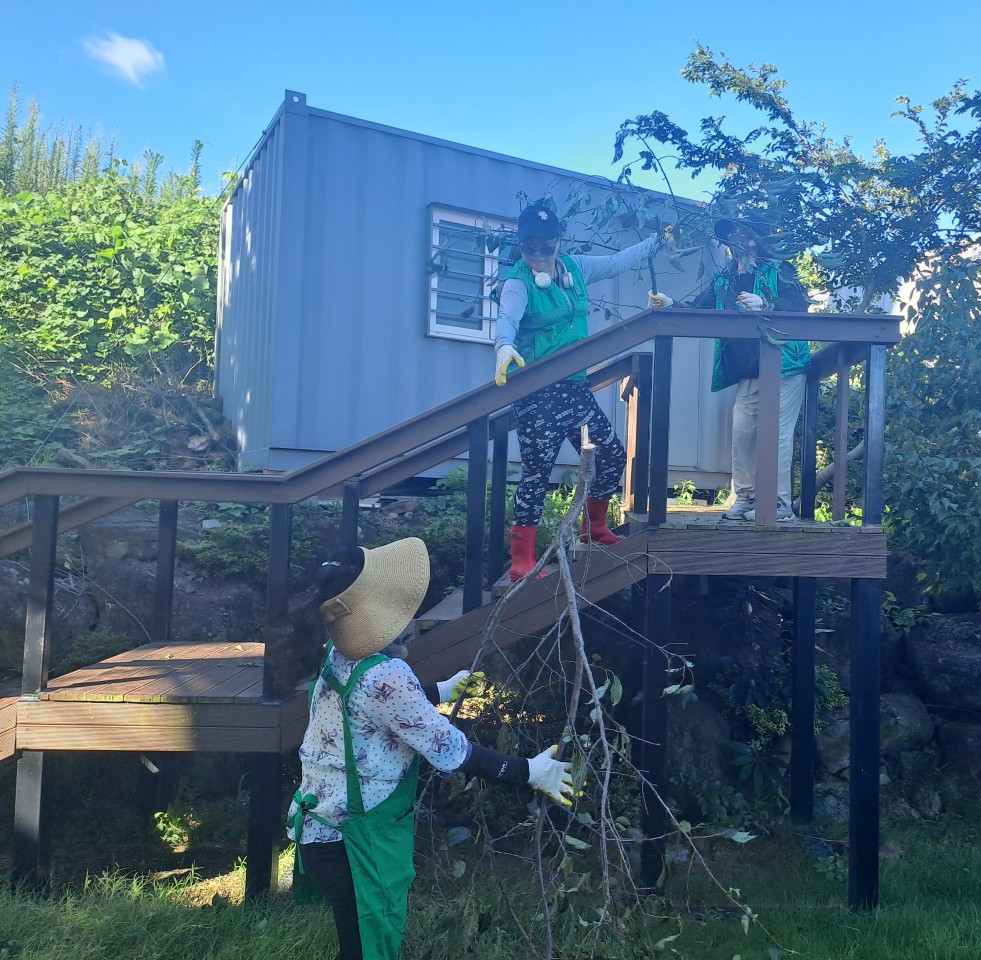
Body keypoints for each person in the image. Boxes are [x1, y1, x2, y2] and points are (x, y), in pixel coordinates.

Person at [287, 537, 573, 960]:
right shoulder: (387, 676)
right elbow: (451, 751)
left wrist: (439, 690)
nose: (409, 618)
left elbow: (370, 704)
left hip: (319, 826)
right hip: (355, 839)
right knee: (369, 944)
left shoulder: (337, 654)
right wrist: (530, 772)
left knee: (359, 935)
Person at [494, 201, 668, 581]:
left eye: (546, 245)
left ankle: (594, 527)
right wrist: (504, 346)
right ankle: (522, 562)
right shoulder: (517, 283)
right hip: (537, 395)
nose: (538, 254)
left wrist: (658, 241)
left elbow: (620, 261)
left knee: (612, 456)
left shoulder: (575, 267)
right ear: (521, 248)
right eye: (529, 247)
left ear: (559, 241)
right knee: (537, 474)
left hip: (574, 390)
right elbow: (507, 318)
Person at [651, 215, 810, 522]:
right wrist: (671, 304)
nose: (733, 242)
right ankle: (747, 497)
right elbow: (701, 308)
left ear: (755, 239)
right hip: (748, 370)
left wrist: (767, 304)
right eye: (730, 237)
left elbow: (799, 307)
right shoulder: (724, 279)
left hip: (785, 364)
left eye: (740, 235)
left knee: (776, 433)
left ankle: (778, 504)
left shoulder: (779, 269)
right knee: (742, 432)